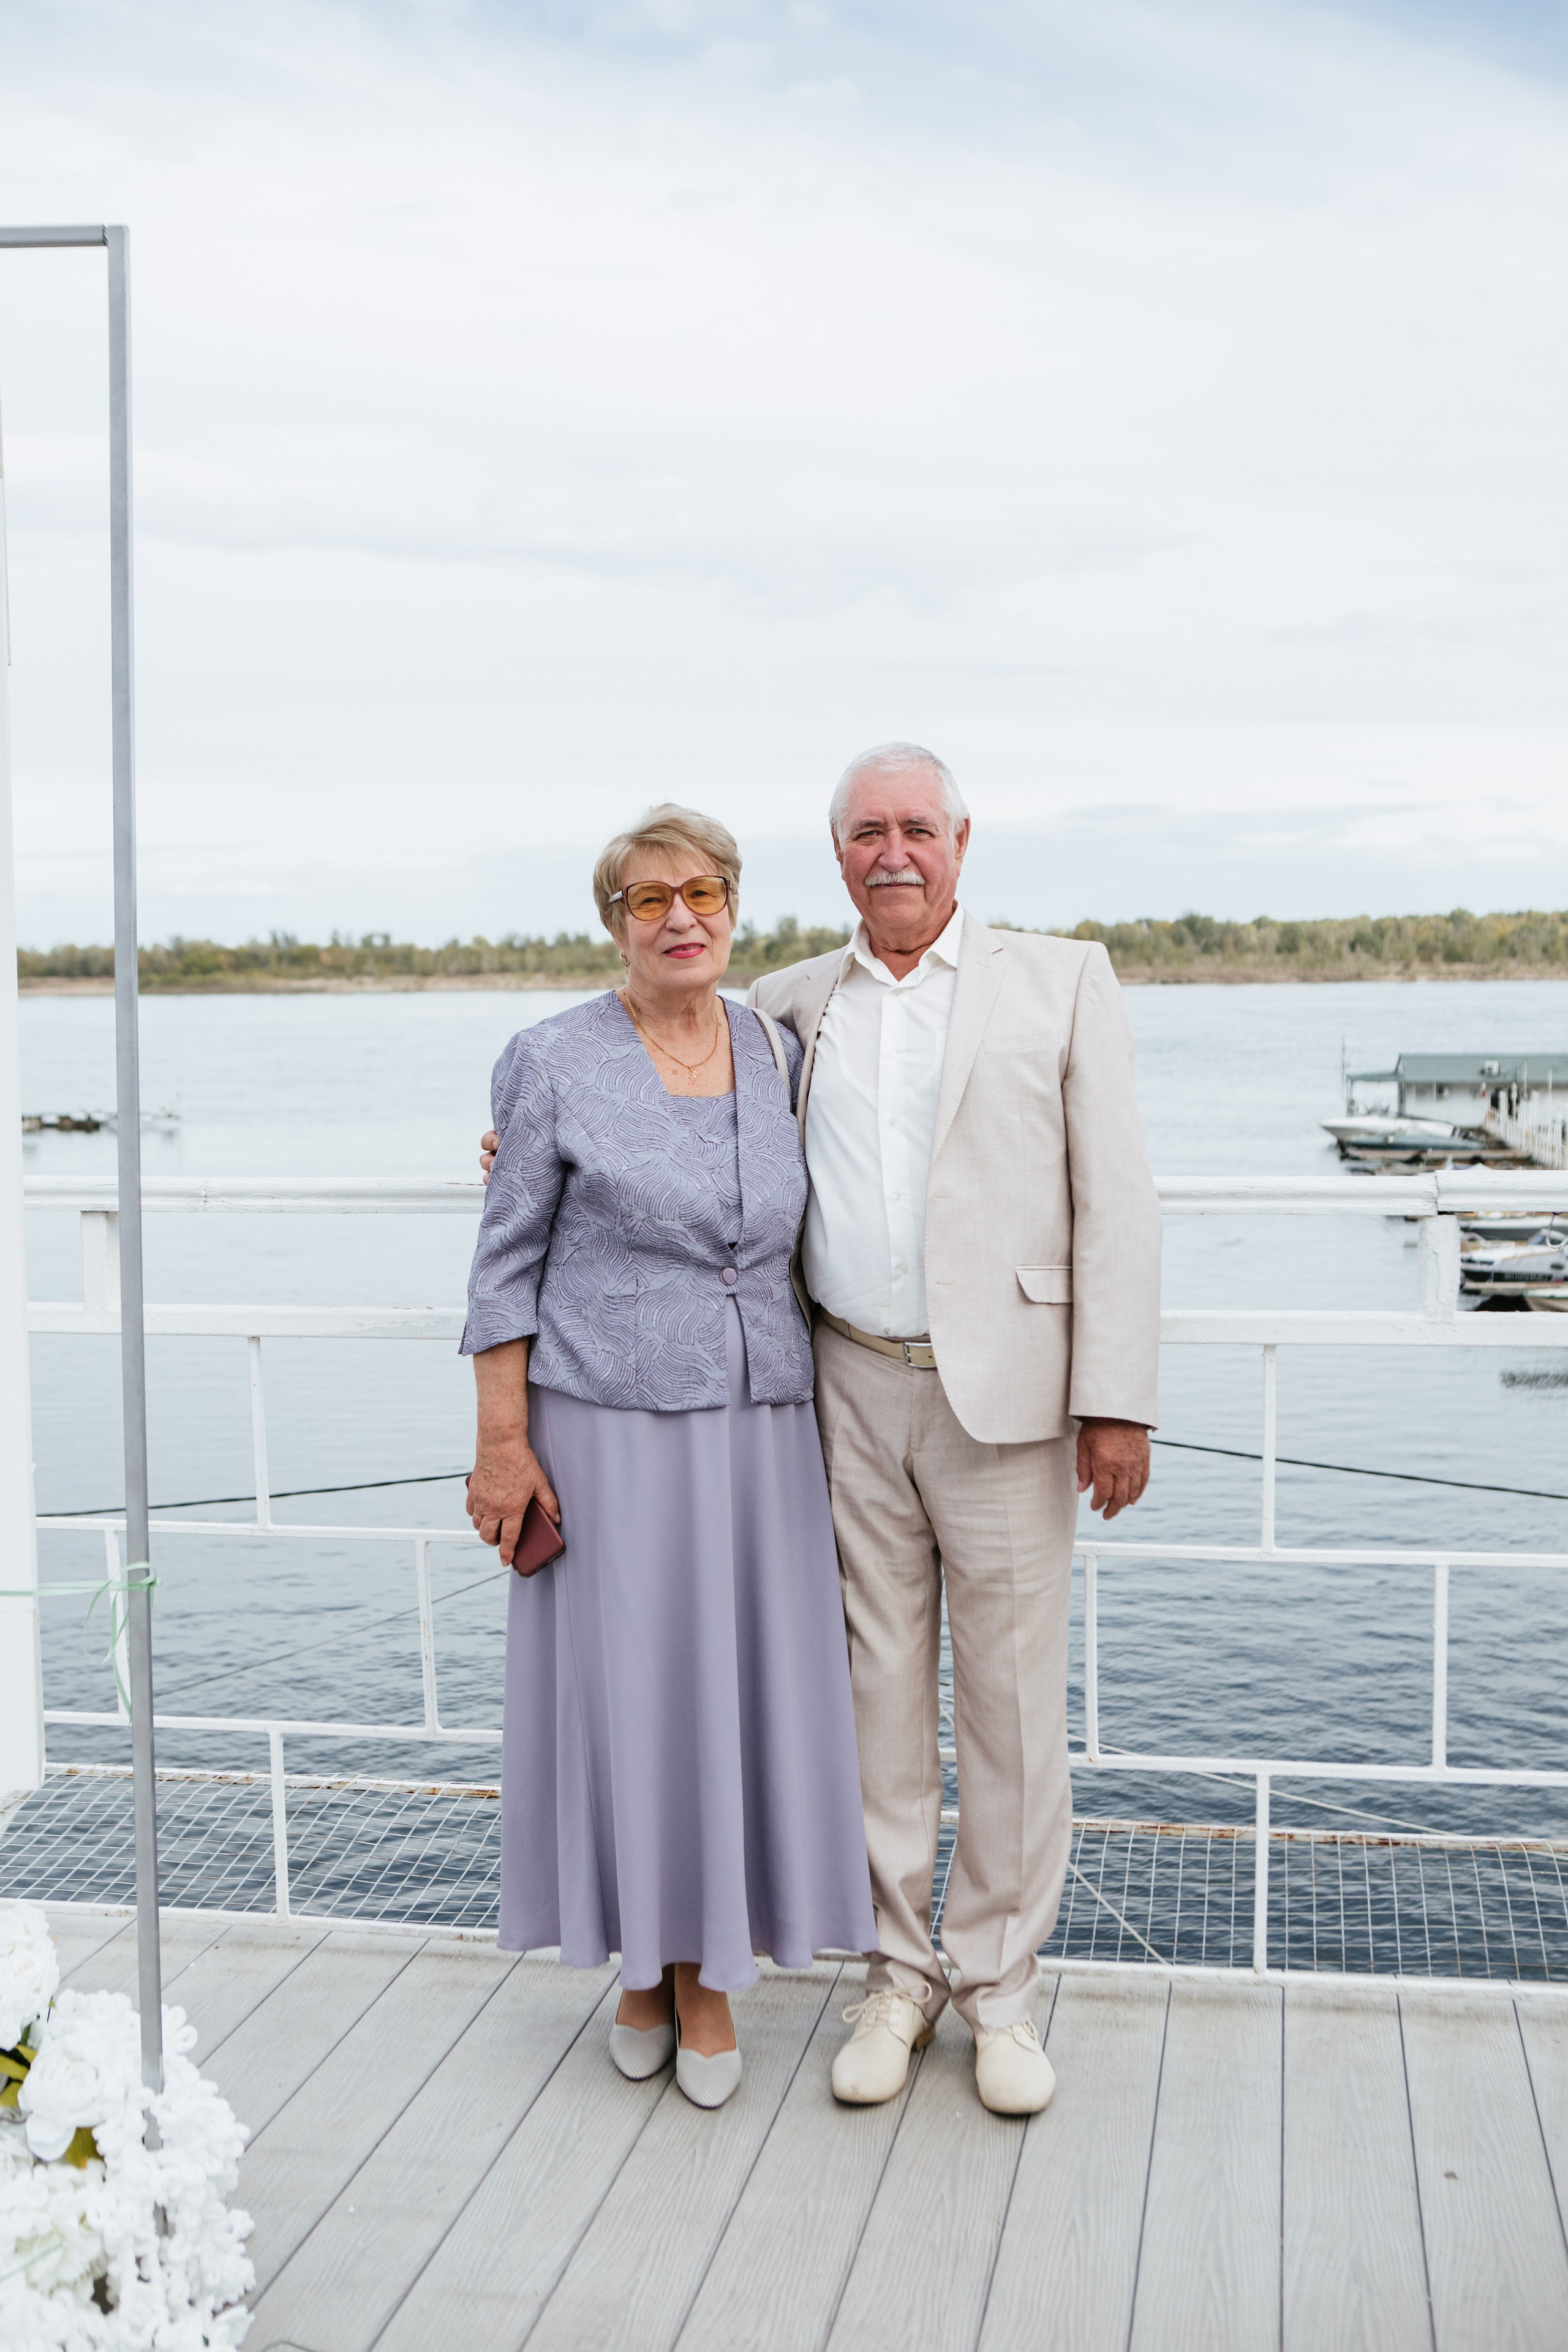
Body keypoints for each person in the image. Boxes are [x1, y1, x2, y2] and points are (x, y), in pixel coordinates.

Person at [747, 743, 1161, 2117]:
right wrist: (519, 1141)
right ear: (838, 857)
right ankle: (892, 1976)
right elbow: (672, 1100)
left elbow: (1115, 1203)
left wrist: (1115, 1398)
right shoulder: (783, 1005)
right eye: (865, 831)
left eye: (915, 826)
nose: (892, 851)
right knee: (873, 1700)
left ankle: (1000, 1990)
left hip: (1013, 1401)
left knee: (1008, 1706)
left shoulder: (1062, 979)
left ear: (962, 841)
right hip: (844, 1386)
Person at [462, 803, 876, 2112]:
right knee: (632, 1703)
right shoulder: (549, 1059)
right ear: (615, 924)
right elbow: (502, 1265)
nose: (681, 917)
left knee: (732, 1702)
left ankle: (703, 1976)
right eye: (650, 900)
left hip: (760, 1431)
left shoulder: (772, 1043)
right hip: (609, 1429)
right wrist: (501, 1445)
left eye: (702, 893)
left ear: (734, 909)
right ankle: (642, 1968)